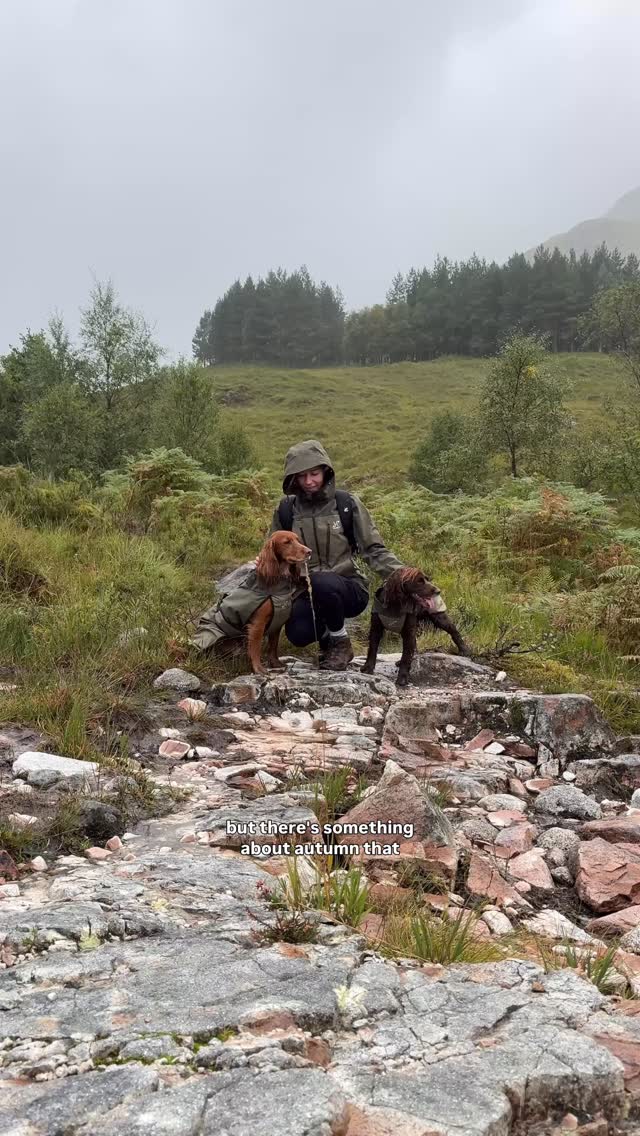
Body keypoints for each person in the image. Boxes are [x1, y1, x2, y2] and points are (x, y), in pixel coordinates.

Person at [268, 439, 404, 670]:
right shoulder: (286, 510)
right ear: (293, 478)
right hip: (305, 591)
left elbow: (373, 549)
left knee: (323, 581)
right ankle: (328, 638)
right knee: (298, 634)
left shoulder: (346, 504)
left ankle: (341, 642)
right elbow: (273, 553)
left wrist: (404, 575)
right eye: (302, 476)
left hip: (348, 588)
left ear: (325, 471)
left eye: (314, 473)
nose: (309, 481)